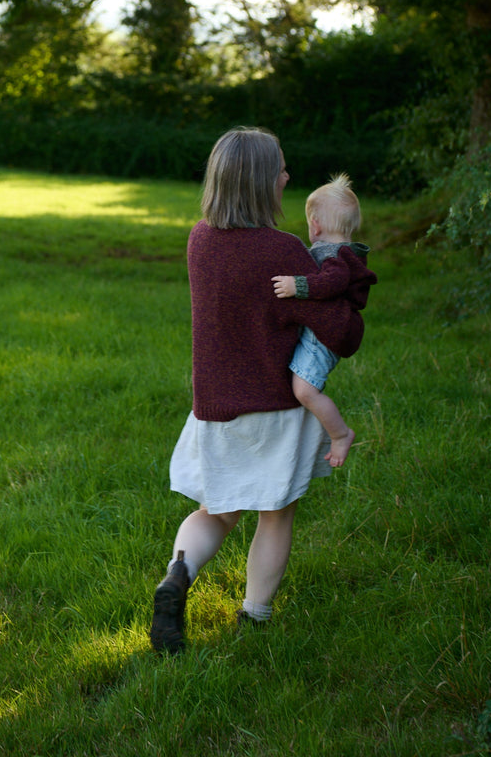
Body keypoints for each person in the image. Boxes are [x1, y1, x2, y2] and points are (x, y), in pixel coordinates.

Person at [150, 128, 377, 655]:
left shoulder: (199, 239)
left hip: (214, 407)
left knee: (216, 511)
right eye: (280, 169)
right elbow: (340, 333)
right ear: (259, 182)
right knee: (275, 514)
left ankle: (176, 577)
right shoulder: (283, 250)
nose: (287, 177)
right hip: (275, 407)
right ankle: (254, 618)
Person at [272, 173, 375, 469]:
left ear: (315, 226)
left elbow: (332, 283)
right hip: (320, 332)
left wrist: (297, 286)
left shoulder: (338, 256)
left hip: (323, 337)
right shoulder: (339, 251)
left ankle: (340, 434)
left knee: (304, 391)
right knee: (300, 387)